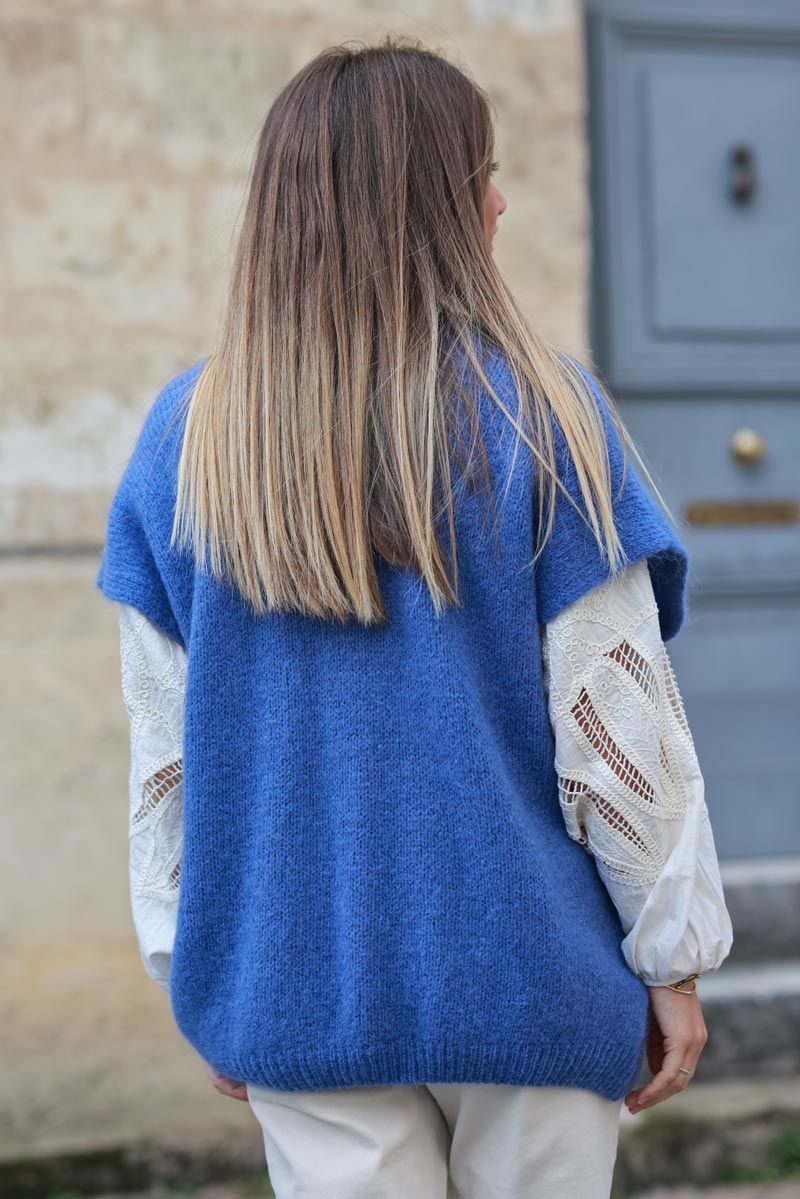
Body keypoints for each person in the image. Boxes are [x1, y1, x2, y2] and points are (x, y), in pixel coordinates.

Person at [97, 36, 733, 1199]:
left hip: (296, 973)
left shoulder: (189, 438)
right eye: (480, 173)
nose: (499, 198)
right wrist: (672, 955)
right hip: (528, 971)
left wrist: (201, 959)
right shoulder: (543, 411)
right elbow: (616, 731)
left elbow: (165, 752)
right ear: (440, 205)